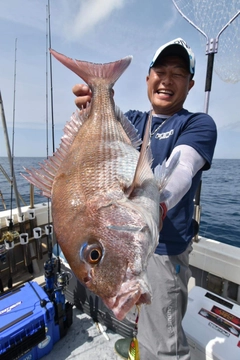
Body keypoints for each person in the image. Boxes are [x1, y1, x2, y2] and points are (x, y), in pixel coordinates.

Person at [72, 38, 217, 360]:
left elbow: (184, 167)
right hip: (125, 243)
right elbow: (99, 148)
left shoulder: (197, 123)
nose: (167, 79)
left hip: (163, 253)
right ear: (148, 76)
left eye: (177, 73)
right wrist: (93, 98)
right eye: (160, 70)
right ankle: (140, 347)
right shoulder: (133, 120)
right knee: (143, 316)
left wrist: (154, 205)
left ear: (190, 84)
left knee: (165, 346)